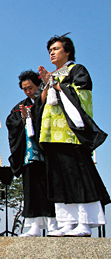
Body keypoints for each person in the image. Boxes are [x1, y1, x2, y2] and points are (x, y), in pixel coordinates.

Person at [36, 33, 110, 237]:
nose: (52, 52)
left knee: (78, 176)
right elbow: (40, 103)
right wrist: (46, 84)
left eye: (56, 48)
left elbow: (82, 94)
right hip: (51, 134)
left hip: (70, 134)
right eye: (50, 50)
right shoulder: (51, 75)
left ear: (68, 51)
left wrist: (57, 84)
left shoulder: (77, 70)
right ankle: (66, 222)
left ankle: (84, 222)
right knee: (58, 179)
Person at [6, 71, 56, 237]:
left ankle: (53, 223)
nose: (28, 92)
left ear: (39, 84)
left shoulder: (49, 99)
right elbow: (10, 123)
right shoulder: (21, 105)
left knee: (50, 187)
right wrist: (23, 119)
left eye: (31, 88)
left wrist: (33, 117)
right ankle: (33, 225)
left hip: (48, 152)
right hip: (29, 154)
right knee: (31, 188)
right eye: (25, 89)